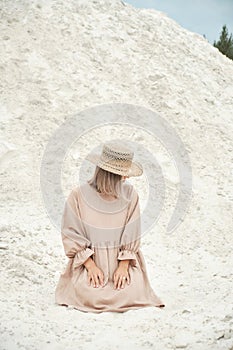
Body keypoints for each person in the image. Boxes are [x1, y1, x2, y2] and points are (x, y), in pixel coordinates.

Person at [55, 141, 165, 313]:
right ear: (110, 174)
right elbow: (71, 234)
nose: (126, 178)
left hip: (122, 263)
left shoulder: (130, 195)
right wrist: (90, 266)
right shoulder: (78, 196)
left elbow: (132, 234)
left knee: (131, 293)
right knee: (91, 296)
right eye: (122, 174)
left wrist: (123, 266)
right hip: (89, 263)